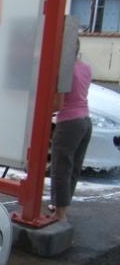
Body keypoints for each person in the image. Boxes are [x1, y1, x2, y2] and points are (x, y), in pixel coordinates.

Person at [50, 42, 92, 221]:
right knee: (73, 167)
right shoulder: (86, 68)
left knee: (61, 167)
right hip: (85, 121)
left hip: (69, 123)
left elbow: (58, 104)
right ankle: (62, 207)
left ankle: (60, 214)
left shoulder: (65, 71)